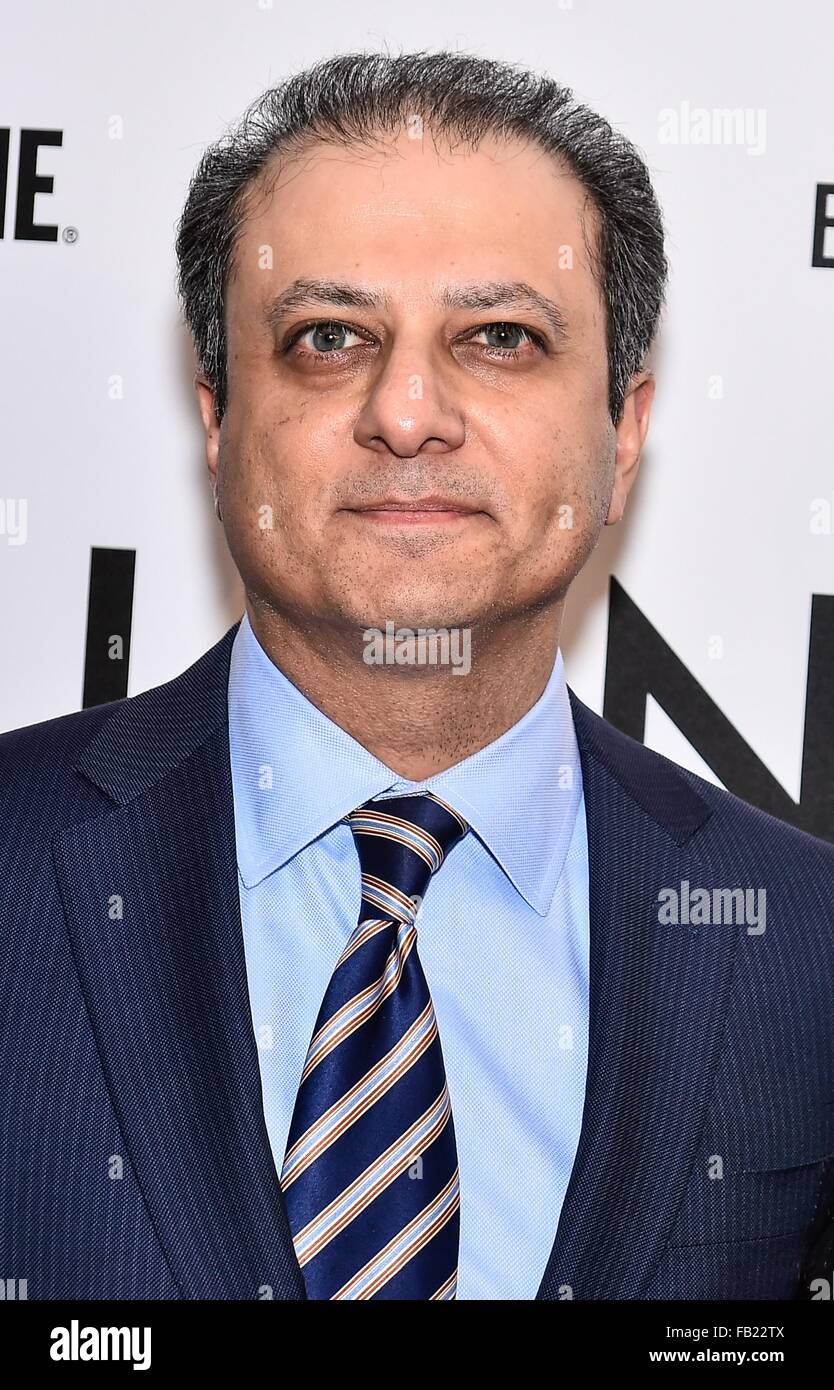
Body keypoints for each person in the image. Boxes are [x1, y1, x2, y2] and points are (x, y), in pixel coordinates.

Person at [2, 50, 833, 1302]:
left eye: (499, 338)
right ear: (218, 423)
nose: (406, 411)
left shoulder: (806, 942)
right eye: (328, 337)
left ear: (625, 435)